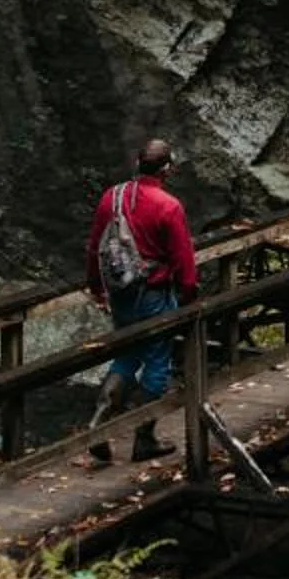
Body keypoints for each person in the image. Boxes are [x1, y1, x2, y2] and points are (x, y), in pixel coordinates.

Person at [81, 138, 199, 466]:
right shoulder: (168, 206)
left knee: (127, 355)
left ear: (137, 162)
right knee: (157, 359)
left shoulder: (112, 197)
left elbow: (96, 246)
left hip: (121, 293)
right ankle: (144, 439)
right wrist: (189, 296)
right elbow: (183, 261)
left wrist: (96, 286)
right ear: (167, 169)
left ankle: (99, 425)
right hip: (155, 294)